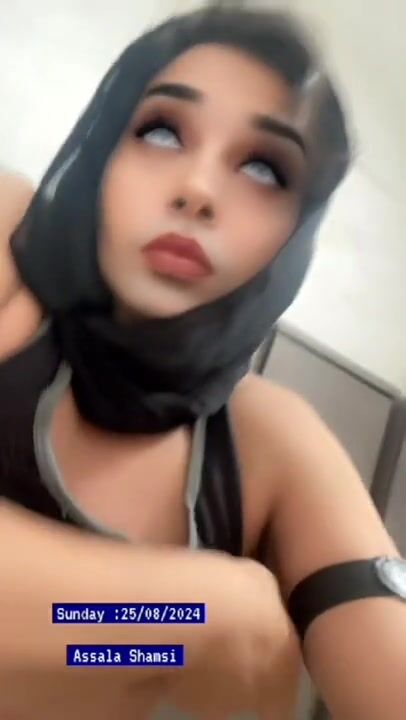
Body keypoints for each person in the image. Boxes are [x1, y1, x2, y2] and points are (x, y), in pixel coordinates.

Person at [0, 5, 405, 720]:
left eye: (264, 168)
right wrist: (201, 616)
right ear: (103, 148)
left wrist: (151, 632)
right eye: (160, 131)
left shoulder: (269, 440)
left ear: (296, 231)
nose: (199, 191)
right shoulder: (10, 253)